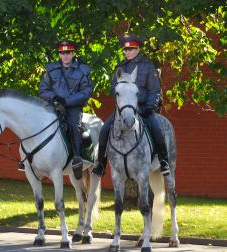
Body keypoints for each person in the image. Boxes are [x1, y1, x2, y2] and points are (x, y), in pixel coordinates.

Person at [91, 33, 170, 177]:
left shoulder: (147, 66)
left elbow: (154, 89)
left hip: (143, 107)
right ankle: (101, 164)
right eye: (125, 50)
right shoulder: (120, 67)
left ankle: (164, 161)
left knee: (156, 128)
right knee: (104, 130)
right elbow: (113, 88)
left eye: (130, 49)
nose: (127, 52)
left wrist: (149, 107)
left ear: (138, 49)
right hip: (123, 110)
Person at [37, 39, 93, 179]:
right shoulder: (51, 69)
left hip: (73, 108)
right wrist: (54, 98)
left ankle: (77, 160)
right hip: (54, 106)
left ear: (73, 53)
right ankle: (33, 159)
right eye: (62, 53)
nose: (65, 56)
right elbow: (43, 89)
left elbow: (86, 92)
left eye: (68, 52)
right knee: (38, 125)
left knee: (75, 127)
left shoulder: (83, 70)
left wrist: (67, 101)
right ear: (59, 54)